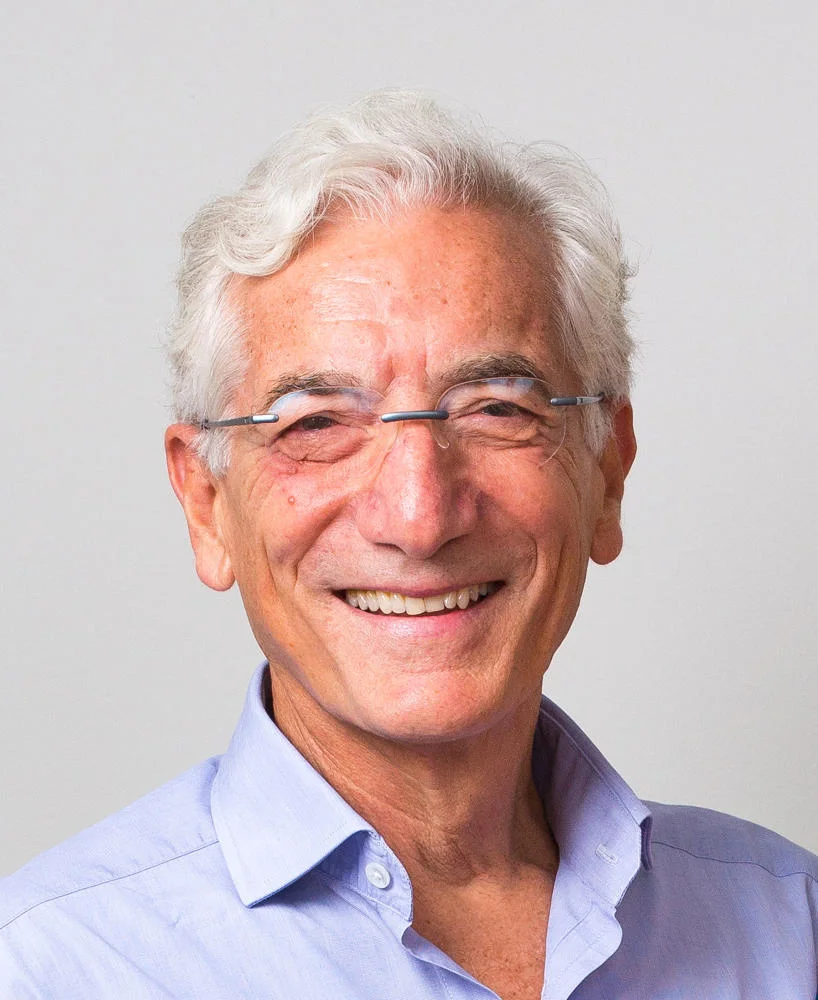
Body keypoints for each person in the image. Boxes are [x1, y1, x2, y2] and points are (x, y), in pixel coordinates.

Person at [1, 90, 816, 999]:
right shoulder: (53, 970)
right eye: (315, 422)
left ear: (607, 474)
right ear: (206, 502)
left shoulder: (792, 929)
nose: (420, 516)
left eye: (498, 409)